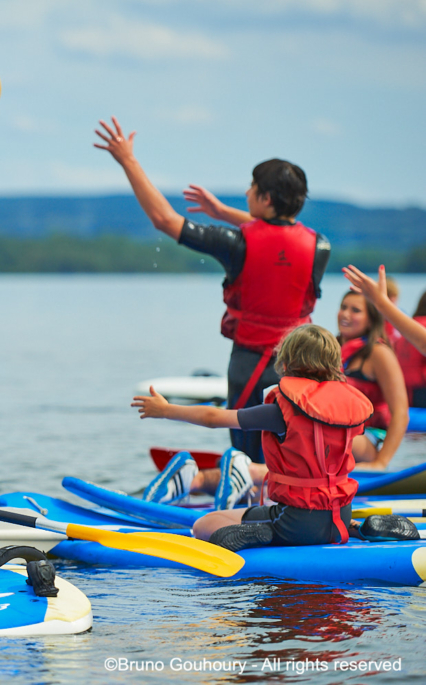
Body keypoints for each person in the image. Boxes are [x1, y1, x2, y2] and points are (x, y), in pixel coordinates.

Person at [95, 117, 330, 463]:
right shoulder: (320, 246)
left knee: (248, 449)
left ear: (265, 198)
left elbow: (164, 220)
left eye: (252, 187)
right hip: (302, 363)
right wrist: (222, 212)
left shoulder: (236, 244)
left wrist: (128, 160)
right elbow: (280, 235)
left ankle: (244, 488)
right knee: (291, 442)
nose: (246, 193)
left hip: (250, 365)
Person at [132, 324, 417, 552]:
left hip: (296, 523)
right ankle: (355, 528)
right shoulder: (346, 408)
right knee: (269, 510)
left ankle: (266, 534)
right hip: (339, 515)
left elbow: (213, 418)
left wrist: (166, 410)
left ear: (287, 361)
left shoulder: (281, 410)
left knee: (204, 525)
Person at [335, 291, 408, 470]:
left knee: (329, 438)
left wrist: (380, 464)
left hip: (370, 437)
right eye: (343, 307)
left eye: (355, 310)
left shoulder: (379, 353)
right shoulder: (332, 348)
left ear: (371, 320)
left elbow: (400, 412)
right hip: (337, 432)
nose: (345, 314)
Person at [347, 267, 426, 408]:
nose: (346, 314)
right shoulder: (403, 329)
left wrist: (381, 303)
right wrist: (381, 303)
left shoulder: (409, 326)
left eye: (356, 310)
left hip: (409, 396)